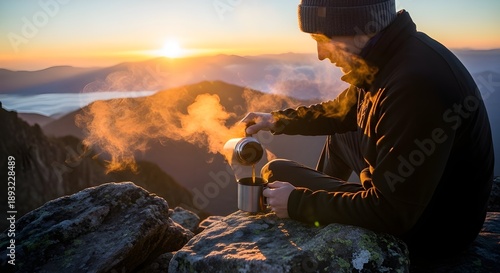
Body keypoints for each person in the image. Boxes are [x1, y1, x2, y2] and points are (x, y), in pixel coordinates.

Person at [241, 0, 494, 259]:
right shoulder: (387, 57)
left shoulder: (414, 85)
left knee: (275, 171)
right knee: (341, 137)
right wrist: (277, 120)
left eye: (323, 38)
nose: (320, 54)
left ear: (358, 27)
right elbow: (341, 113)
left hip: (435, 230)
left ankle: (327, 212)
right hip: (414, 193)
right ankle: (329, 213)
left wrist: (298, 203)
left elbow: (392, 213)